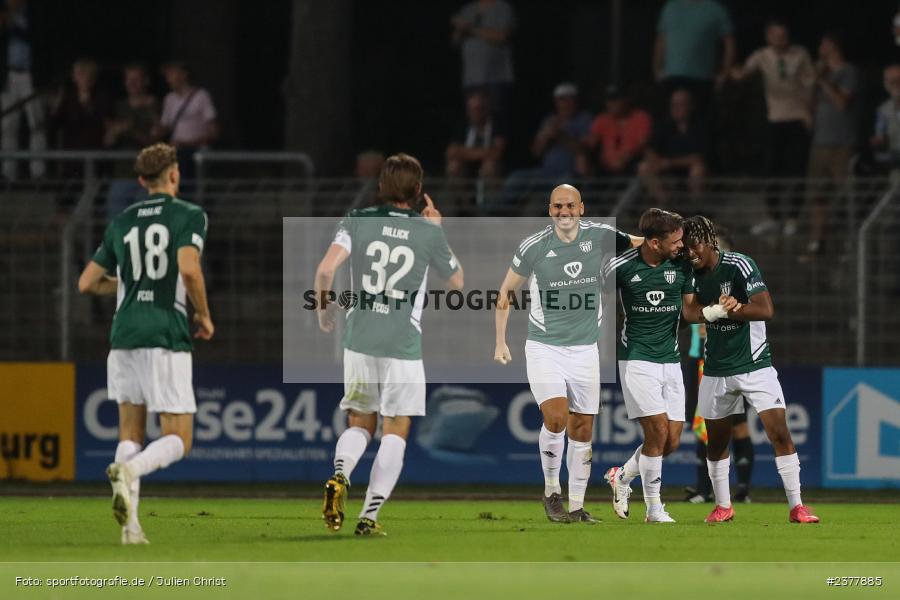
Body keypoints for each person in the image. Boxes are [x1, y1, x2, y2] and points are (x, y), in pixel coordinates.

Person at [316, 153, 464, 536]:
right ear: (417, 191)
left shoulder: (356, 219)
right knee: (395, 428)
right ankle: (369, 516)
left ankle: (339, 475)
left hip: (359, 338)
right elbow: (458, 282)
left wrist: (323, 309)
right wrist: (438, 228)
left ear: (381, 186)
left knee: (360, 421)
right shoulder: (426, 230)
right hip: (402, 344)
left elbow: (326, 269)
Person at [77, 142, 213, 544]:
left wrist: (128, 284)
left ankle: (130, 530)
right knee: (179, 438)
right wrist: (203, 315)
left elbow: (86, 283)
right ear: (174, 175)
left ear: (140, 181)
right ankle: (131, 471)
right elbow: (189, 269)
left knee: (129, 435)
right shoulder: (189, 215)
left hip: (123, 336)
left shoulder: (122, 220)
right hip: (164, 333)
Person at [494, 184, 639, 523]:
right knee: (556, 417)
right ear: (550, 210)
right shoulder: (534, 246)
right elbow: (505, 292)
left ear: (581, 208)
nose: (564, 212)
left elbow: (635, 243)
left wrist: (665, 244)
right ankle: (551, 492)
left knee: (583, 428)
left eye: (570, 206)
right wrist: (500, 341)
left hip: (586, 349)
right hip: (545, 347)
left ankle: (576, 506)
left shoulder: (600, 235)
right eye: (558, 206)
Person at [682, 215, 819, 524]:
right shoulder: (689, 272)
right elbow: (689, 311)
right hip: (715, 368)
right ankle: (723, 506)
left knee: (779, 432)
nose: (690, 252)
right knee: (715, 442)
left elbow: (766, 309)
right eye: (686, 248)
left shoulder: (741, 265)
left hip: (755, 365)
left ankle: (797, 507)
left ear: (710, 242)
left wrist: (736, 307)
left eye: (695, 246)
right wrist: (713, 311)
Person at [601, 208, 715, 523]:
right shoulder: (620, 266)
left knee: (671, 441)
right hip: (636, 359)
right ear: (654, 242)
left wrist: (717, 311)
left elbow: (691, 313)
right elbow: (595, 303)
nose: (682, 245)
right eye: (676, 240)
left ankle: (622, 476)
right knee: (657, 431)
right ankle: (654, 509)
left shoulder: (680, 266)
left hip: (671, 360)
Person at [733, 20, 815, 236]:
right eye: (777, 35)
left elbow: (810, 84)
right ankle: (773, 216)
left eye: (784, 35)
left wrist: (808, 112)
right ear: (768, 36)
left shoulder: (800, 54)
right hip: (774, 118)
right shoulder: (762, 55)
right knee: (772, 168)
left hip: (797, 116)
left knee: (796, 169)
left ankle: (793, 218)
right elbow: (744, 72)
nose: (781, 39)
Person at [804, 32, 859, 259]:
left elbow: (841, 102)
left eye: (824, 44)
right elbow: (810, 106)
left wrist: (822, 81)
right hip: (820, 143)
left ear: (834, 47)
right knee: (817, 195)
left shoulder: (848, 71)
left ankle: (851, 243)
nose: (820, 48)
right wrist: (815, 82)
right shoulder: (821, 74)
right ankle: (817, 243)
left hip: (841, 144)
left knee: (846, 195)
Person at [498, 83, 592, 213]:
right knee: (517, 178)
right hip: (546, 172)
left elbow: (584, 149)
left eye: (568, 99)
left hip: (568, 174)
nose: (565, 104)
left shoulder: (583, 119)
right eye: (561, 100)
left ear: (575, 101)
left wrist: (560, 136)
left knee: (561, 188)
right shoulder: (550, 120)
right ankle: (498, 214)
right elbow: (536, 152)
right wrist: (545, 137)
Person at [653, 0, 735, 118]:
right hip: (671, 77)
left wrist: (724, 73)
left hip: (702, 79)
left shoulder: (715, 9)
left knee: (700, 125)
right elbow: (661, 39)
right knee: (670, 125)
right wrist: (657, 68)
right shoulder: (670, 7)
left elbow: (729, 43)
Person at [104, 63, 160, 219]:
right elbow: (108, 140)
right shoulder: (119, 106)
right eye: (129, 79)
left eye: (136, 79)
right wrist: (114, 132)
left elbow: (156, 140)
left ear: (145, 81)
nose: (132, 83)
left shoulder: (155, 106)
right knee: (117, 226)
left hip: (148, 177)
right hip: (122, 175)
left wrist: (130, 131)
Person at [0, 0, 46, 180]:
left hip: (30, 75)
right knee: (8, 125)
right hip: (9, 75)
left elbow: (39, 39)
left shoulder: (34, 14)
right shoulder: (4, 14)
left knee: (36, 124)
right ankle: (8, 172)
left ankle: (38, 171)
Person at [638, 89, 708, 204]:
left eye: (680, 104)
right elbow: (650, 149)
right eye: (673, 104)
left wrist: (670, 163)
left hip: (688, 171)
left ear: (691, 106)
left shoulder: (701, 127)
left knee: (698, 169)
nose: (675, 108)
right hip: (668, 172)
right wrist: (655, 161)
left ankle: (695, 208)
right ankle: (666, 205)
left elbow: (698, 157)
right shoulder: (664, 125)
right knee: (644, 167)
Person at [451, 0, 515, 118]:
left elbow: (502, 37)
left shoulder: (503, 8)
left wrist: (470, 28)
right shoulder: (467, 9)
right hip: (471, 78)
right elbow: (455, 42)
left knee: (496, 119)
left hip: (495, 77)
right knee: (474, 120)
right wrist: (459, 28)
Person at [156, 61, 218, 179]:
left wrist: (187, 144)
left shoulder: (201, 96)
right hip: (176, 155)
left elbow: (214, 132)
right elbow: (164, 127)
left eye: (171, 74)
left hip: (196, 154)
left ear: (184, 75)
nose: (168, 79)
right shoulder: (169, 99)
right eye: (167, 75)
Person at [586, 85, 652, 176]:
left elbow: (643, 143)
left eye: (616, 99)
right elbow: (590, 143)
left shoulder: (641, 117)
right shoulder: (602, 119)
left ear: (626, 99)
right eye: (609, 100)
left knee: (645, 167)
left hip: (632, 164)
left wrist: (626, 157)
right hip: (606, 167)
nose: (612, 103)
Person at [445, 90, 506, 179]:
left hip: (490, 164)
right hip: (467, 164)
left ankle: (490, 193)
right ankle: (459, 193)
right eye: (473, 109)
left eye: (480, 109)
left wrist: (464, 152)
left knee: (489, 166)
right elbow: (451, 152)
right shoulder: (462, 124)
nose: (476, 113)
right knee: (453, 166)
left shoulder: (497, 124)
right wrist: (483, 153)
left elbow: (497, 153)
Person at [871, 65, 900, 174]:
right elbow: (880, 136)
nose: (896, 84)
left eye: (898, 80)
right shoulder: (883, 110)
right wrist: (878, 142)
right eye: (891, 81)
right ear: (885, 84)